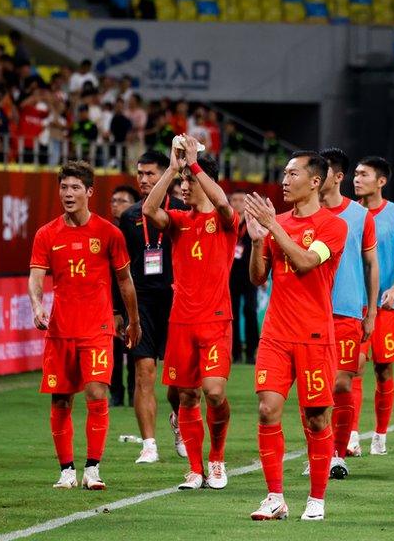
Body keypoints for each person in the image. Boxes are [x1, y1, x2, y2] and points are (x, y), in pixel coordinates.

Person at [245, 151, 347, 521]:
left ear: (315, 181)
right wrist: (258, 241)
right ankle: (275, 497)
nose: (285, 180)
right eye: (284, 174)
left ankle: (316, 499)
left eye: (293, 174)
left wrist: (272, 227)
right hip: (275, 333)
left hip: (315, 335)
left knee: (317, 418)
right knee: (267, 409)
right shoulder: (279, 222)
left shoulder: (331, 225)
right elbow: (258, 278)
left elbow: (305, 262)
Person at [28, 160, 141, 491]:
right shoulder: (46, 234)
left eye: (75, 187)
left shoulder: (108, 233)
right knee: (61, 399)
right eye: (64, 187)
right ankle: (66, 470)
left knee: (95, 391)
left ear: (90, 192)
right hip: (60, 329)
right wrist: (37, 305)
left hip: (97, 328)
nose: (68, 193)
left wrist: (133, 321)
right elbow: (36, 278)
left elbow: (125, 281)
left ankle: (93, 468)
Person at [143, 136, 238, 490]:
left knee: (214, 392)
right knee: (186, 395)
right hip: (181, 321)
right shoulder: (179, 221)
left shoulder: (227, 221)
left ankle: (217, 460)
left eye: (188, 182)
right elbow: (150, 211)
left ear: (204, 180)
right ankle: (196, 469)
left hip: (215, 320)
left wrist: (195, 163)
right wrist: (172, 167)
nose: (183, 187)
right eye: (181, 182)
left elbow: (224, 204)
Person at [118, 152, 188, 463]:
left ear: (168, 175)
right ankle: (149, 443)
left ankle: (179, 421)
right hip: (141, 301)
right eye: (140, 174)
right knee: (143, 371)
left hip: (178, 300)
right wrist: (118, 311)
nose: (144, 180)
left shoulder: (185, 210)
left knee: (179, 381)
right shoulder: (130, 216)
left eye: (150, 174)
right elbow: (118, 269)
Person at [319, 147, 378, 479]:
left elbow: (371, 264)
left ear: (337, 177)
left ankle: (336, 454)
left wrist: (369, 313)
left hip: (346, 310)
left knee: (342, 384)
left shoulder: (359, 216)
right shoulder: (302, 212)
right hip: (311, 311)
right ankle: (322, 451)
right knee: (318, 388)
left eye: (322, 170)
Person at [352, 156, 394, 456]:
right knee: (354, 367)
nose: (356, 179)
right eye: (355, 174)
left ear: (381, 181)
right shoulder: (347, 213)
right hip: (354, 304)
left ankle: (380, 434)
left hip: (386, 305)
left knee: (384, 370)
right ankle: (351, 434)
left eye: (364, 174)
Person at [109, 185, 140, 408]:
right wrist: (115, 310)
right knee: (113, 352)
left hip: (136, 300)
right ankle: (116, 394)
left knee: (134, 351)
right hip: (112, 301)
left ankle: (133, 393)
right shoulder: (107, 233)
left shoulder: (140, 233)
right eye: (114, 201)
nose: (116, 205)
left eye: (123, 201)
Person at [228, 189, 260, 365]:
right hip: (230, 275)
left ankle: (251, 351)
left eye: (242, 200)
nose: (238, 203)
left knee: (250, 311)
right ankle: (235, 352)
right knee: (232, 314)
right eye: (235, 199)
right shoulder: (227, 222)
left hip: (249, 275)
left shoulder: (253, 223)